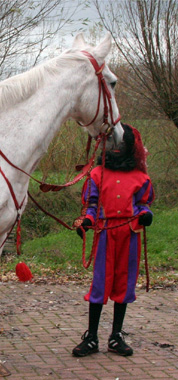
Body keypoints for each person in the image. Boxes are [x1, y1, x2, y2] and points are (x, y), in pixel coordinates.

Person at [72, 123, 154, 357]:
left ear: (130, 147)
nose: (116, 148)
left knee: (123, 282)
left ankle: (116, 336)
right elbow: (92, 204)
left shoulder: (141, 177)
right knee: (100, 282)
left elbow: (142, 204)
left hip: (129, 234)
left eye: (121, 144)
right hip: (105, 233)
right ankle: (91, 337)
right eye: (113, 144)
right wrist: (87, 220)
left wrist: (146, 215)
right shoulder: (97, 174)